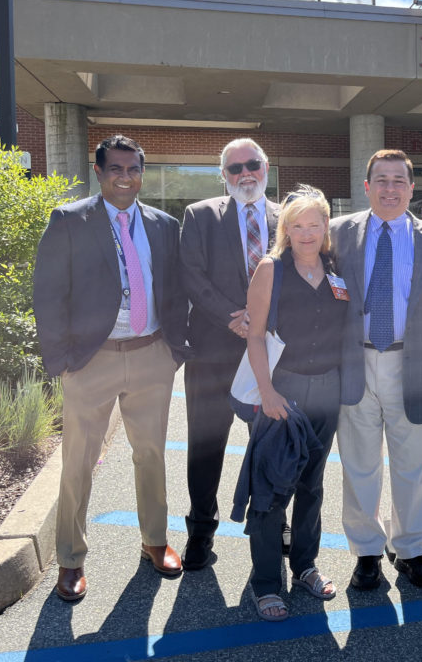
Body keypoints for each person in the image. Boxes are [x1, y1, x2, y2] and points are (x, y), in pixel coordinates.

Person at [33, 134, 189, 602]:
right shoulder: (69, 220)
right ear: (98, 173)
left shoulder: (164, 224)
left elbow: (177, 288)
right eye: (116, 169)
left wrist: (174, 349)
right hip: (91, 360)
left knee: (152, 455)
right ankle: (70, 558)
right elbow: (48, 292)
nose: (126, 177)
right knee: (78, 462)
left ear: (143, 173)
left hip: (151, 355)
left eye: (134, 169)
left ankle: (154, 541)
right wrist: (62, 361)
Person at [330, 149, 422, 590]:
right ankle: (366, 552)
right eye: (380, 180)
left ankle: (412, 550)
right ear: (366, 187)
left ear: (411, 188)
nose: (389, 188)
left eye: (398, 180)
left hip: (411, 364)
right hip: (355, 362)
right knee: (360, 464)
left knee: (411, 466)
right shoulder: (337, 235)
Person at [241, 185, 347, 621]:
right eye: (296, 225)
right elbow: (254, 335)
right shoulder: (271, 269)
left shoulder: (336, 268)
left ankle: (303, 564)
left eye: (314, 224)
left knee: (312, 485)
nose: (306, 233)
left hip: (328, 390)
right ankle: (265, 582)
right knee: (271, 489)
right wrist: (267, 392)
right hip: (284, 390)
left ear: (326, 227)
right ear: (285, 230)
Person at [179, 138, 281, 570]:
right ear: (223, 175)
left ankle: (277, 524)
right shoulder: (200, 216)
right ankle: (201, 530)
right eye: (234, 168)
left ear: (266, 166)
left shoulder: (289, 217)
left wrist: (260, 321)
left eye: (252, 164)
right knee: (206, 444)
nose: (245, 174)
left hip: (275, 352)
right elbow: (190, 274)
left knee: (275, 444)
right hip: (212, 350)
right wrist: (233, 317)